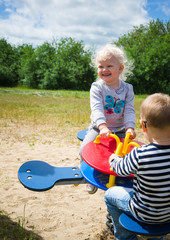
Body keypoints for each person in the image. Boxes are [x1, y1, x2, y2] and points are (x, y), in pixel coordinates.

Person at [104, 93, 170, 240]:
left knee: (110, 195)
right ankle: (157, 237)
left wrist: (114, 159)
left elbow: (120, 170)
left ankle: (124, 236)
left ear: (143, 126)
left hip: (143, 213)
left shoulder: (140, 153)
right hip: (168, 214)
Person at [79, 44, 136, 194]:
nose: (104, 70)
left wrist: (130, 127)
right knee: (83, 151)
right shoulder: (97, 88)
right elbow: (97, 108)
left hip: (121, 130)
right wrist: (103, 127)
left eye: (109, 65)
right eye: (100, 66)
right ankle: (89, 178)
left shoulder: (128, 89)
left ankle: (120, 177)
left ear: (120, 69)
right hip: (99, 128)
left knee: (124, 156)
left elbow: (129, 109)